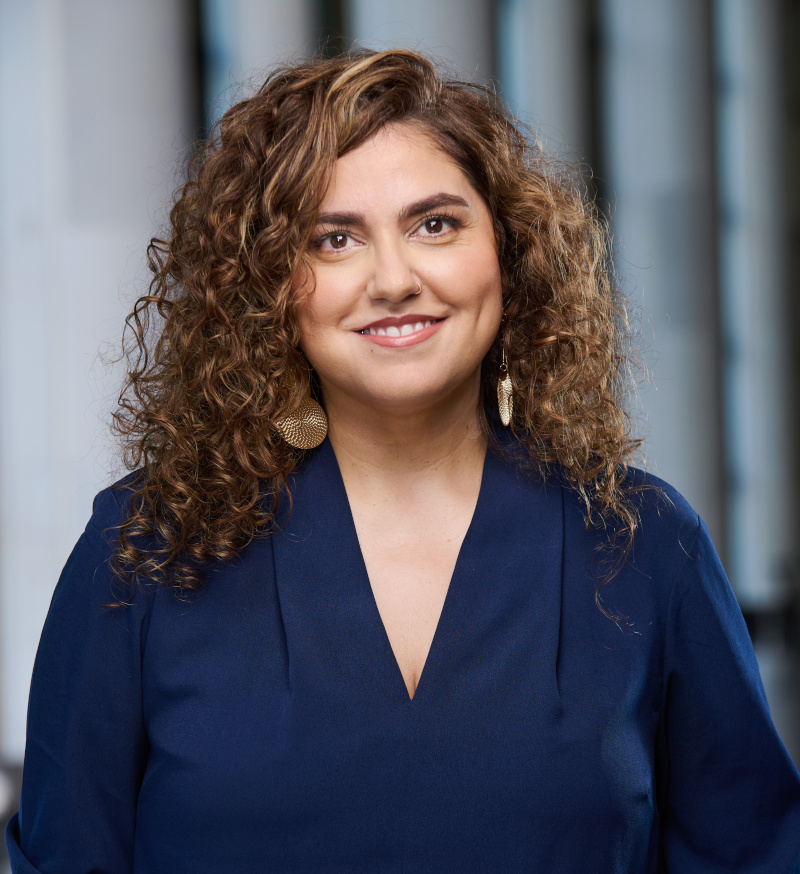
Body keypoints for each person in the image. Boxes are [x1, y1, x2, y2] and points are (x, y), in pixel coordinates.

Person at [5, 48, 800, 873]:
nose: (394, 279)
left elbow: (753, 854)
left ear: (510, 250)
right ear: (269, 287)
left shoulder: (641, 542)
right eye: (334, 238)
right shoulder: (143, 549)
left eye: (435, 224)